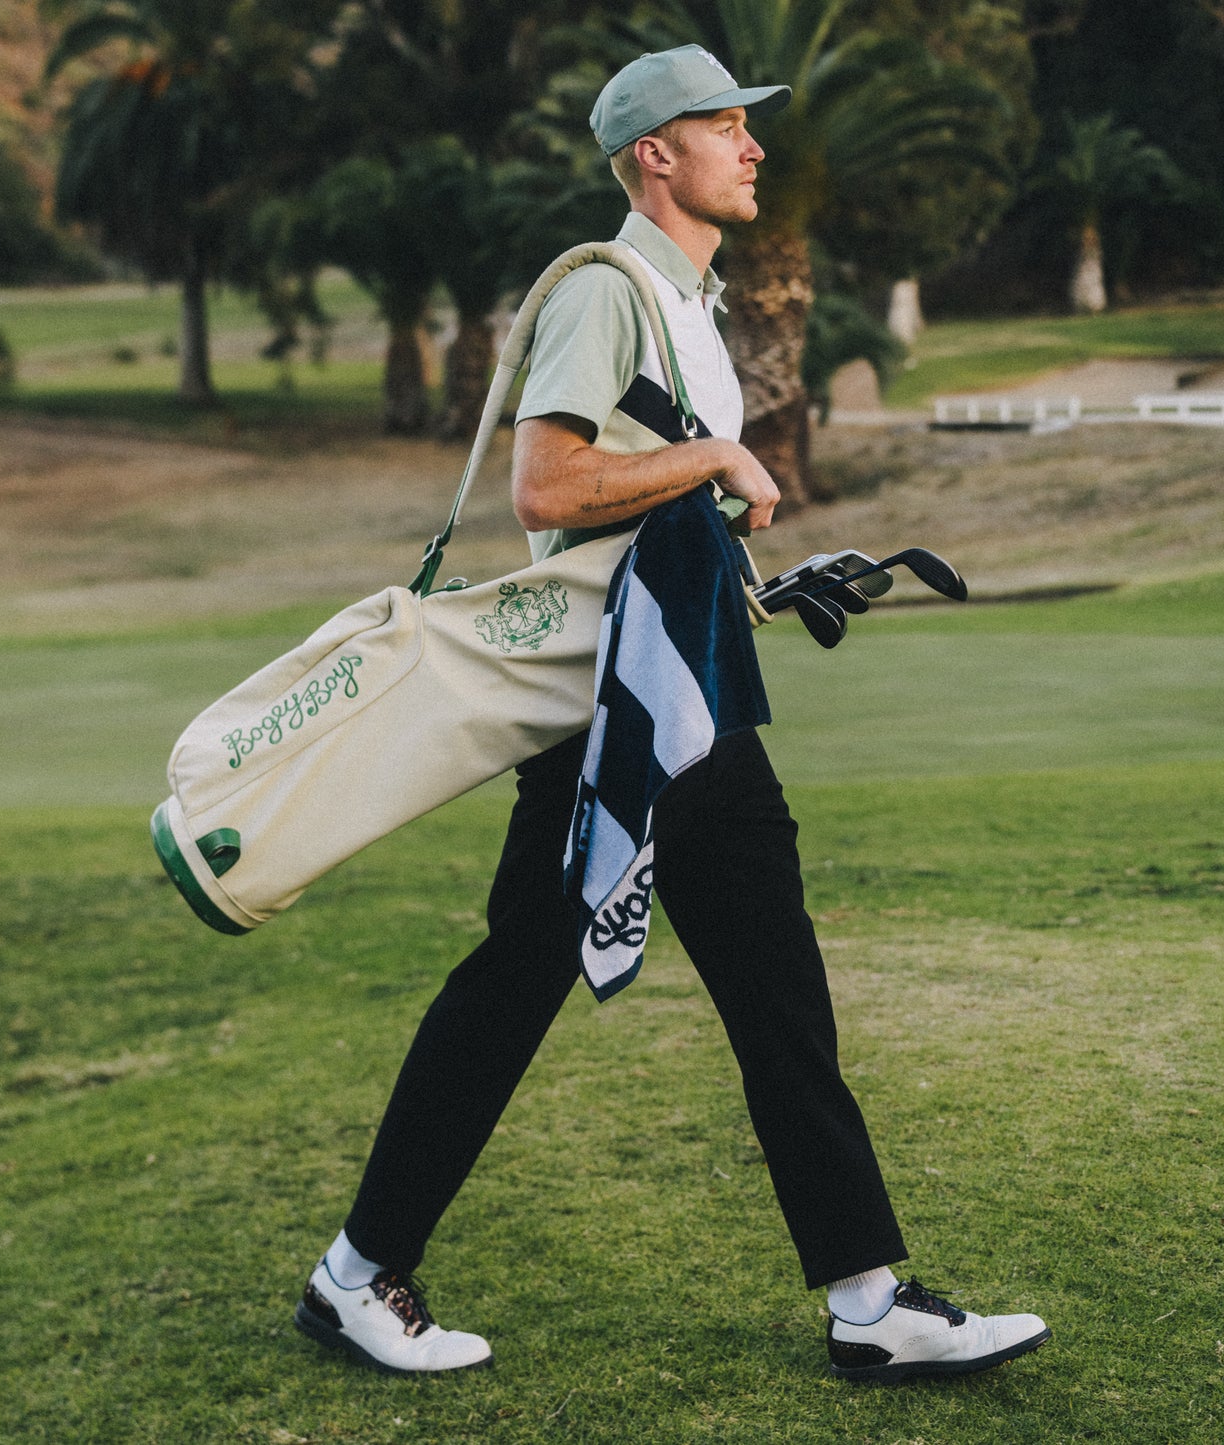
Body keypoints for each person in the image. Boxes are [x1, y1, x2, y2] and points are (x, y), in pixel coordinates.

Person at [293, 44, 1050, 1385]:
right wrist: (713, 456)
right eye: (724, 128)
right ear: (655, 154)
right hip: (617, 714)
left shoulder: (686, 301)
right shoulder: (610, 289)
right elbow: (544, 486)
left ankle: (869, 1294)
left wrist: (750, 573)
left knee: (763, 985)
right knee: (530, 981)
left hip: (683, 689)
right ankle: (357, 1274)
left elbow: (646, 515)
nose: (753, 147)